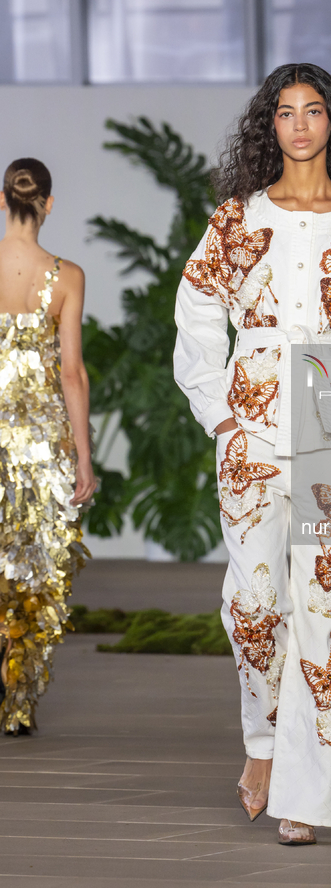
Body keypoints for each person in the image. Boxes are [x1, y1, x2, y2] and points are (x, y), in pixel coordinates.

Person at [174, 63, 331, 844]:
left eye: (314, 111)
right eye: (285, 112)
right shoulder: (236, 222)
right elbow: (198, 320)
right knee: (251, 609)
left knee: (325, 613)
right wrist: (221, 420)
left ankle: (304, 797)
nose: (300, 124)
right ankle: (263, 744)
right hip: (250, 435)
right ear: (269, 126)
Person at [0, 158, 96, 735]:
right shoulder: (66, 275)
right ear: (49, 203)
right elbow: (73, 374)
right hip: (38, 445)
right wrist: (84, 455)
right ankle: (17, 704)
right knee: (33, 567)